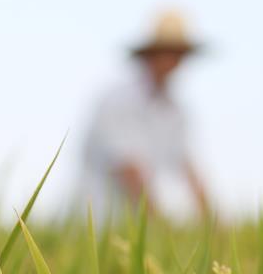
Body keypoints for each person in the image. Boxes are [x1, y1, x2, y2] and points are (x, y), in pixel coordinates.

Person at [82, 11, 210, 221]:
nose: (172, 60)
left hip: (137, 221)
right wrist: (159, 224)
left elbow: (188, 167)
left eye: (178, 53)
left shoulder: (175, 110)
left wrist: (213, 222)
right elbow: (127, 169)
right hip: (97, 217)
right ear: (150, 55)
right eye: (166, 52)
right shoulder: (118, 100)